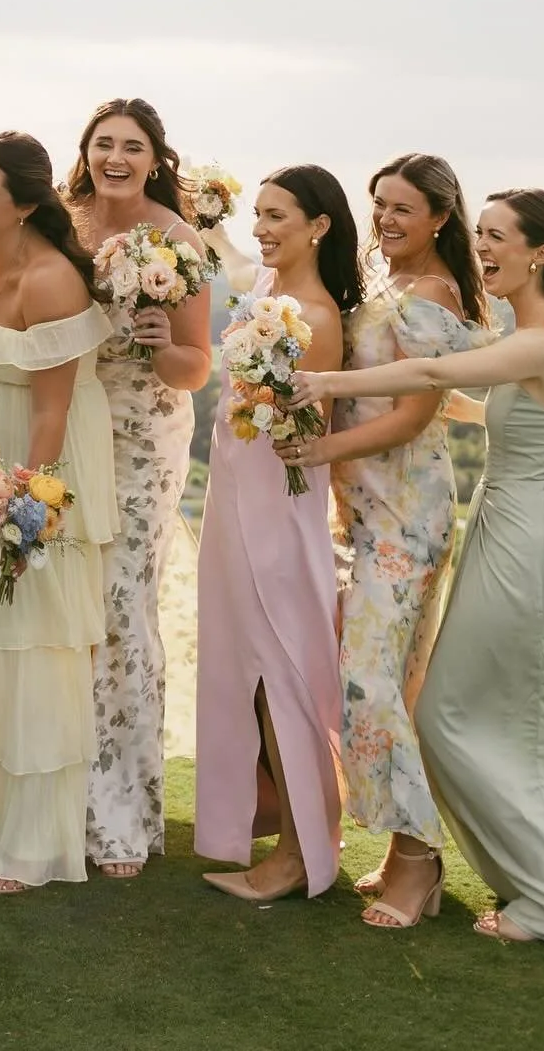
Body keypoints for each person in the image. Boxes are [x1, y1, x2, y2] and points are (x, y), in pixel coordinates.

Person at [294, 188, 544, 947]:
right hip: (507, 528)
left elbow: (430, 372)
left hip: (531, 548)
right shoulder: (534, 336)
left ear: (542, 252)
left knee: (447, 716)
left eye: (498, 236)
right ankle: (523, 872)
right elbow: (505, 413)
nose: (482, 245)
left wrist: (326, 384)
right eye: (481, 232)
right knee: (480, 715)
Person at [282, 153, 487, 929]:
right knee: (388, 680)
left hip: (407, 514)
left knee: (368, 679)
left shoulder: (432, 295)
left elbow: (413, 414)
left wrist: (320, 450)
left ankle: (419, 858)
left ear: (440, 215)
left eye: (403, 206)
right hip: (357, 511)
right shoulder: (385, 282)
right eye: (380, 204)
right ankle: (406, 850)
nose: (387, 218)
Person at [0, 131, 116, 894]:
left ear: (23, 205)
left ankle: (33, 843)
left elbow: (52, 411)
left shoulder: (52, 280)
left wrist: (26, 504)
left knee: (36, 641)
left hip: (46, 455)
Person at [195, 165, 359, 903]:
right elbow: (233, 260)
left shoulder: (316, 316)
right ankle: (273, 827)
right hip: (235, 498)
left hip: (278, 513)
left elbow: (303, 429)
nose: (261, 228)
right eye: (257, 214)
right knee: (245, 667)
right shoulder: (265, 288)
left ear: (318, 226)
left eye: (277, 216)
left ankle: (300, 855)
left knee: (282, 674)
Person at [62, 98, 211, 879]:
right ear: (85, 150)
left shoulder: (178, 239)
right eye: (103, 143)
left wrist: (161, 344)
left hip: (143, 434)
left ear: (156, 159)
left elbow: (197, 365)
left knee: (120, 607)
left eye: (131, 145)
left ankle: (120, 813)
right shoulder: (61, 223)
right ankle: (53, 799)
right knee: (61, 604)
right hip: (63, 421)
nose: (115, 157)